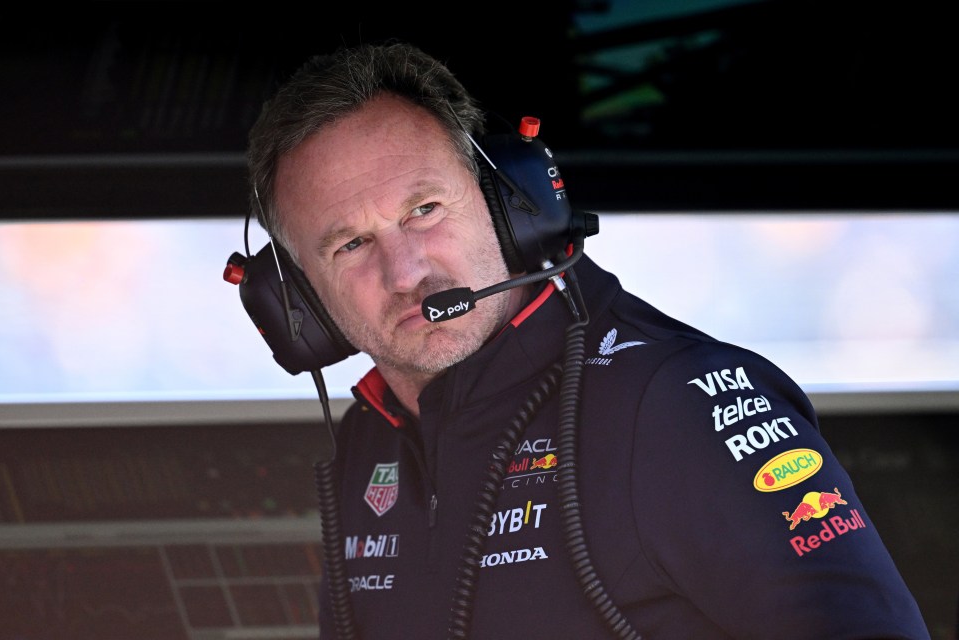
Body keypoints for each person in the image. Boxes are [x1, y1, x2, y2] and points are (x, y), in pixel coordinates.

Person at [241, 41, 930, 639]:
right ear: (297, 299)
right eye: (352, 244)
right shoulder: (368, 441)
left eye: (424, 210)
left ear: (509, 201)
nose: (405, 272)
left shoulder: (672, 403)